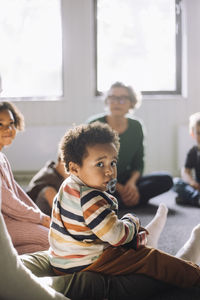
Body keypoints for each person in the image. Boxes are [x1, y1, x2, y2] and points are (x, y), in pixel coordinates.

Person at [48, 121, 200, 290]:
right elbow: (116, 236)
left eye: (113, 163)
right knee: (150, 258)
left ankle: (146, 238)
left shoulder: (68, 185)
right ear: (74, 168)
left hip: (62, 260)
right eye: (100, 164)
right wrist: (132, 222)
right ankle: (194, 274)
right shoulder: (91, 199)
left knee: (129, 241)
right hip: (86, 262)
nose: (110, 171)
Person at [87, 82, 173, 209]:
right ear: (107, 101)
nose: (116, 102)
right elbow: (90, 167)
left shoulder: (136, 127)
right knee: (90, 191)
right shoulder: (94, 124)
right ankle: (125, 200)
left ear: (131, 103)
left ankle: (121, 200)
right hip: (100, 181)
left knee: (166, 179)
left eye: (122, 99)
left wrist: (131, 184)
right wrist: (118, 188)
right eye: (112, 98)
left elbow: (138, 163)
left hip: (125, 179)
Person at [0, 101, 50, 254]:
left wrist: (41, 217)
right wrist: (39, 218)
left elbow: (18, 193)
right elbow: (7, 201)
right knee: (51, 239)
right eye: (0, 124)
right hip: (3, 224)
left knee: (47, 245)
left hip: (10, 221)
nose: (8, 129)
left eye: (11, 123)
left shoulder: (2, 157)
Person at [173, 112, 200, 207]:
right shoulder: (193, 152)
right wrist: (192, 182)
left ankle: (189, 198)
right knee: (175, 183)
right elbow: (185, 172)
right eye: (199, 133)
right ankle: (196, 198)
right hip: (197, 187)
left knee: (182, 195)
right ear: (193, 134)